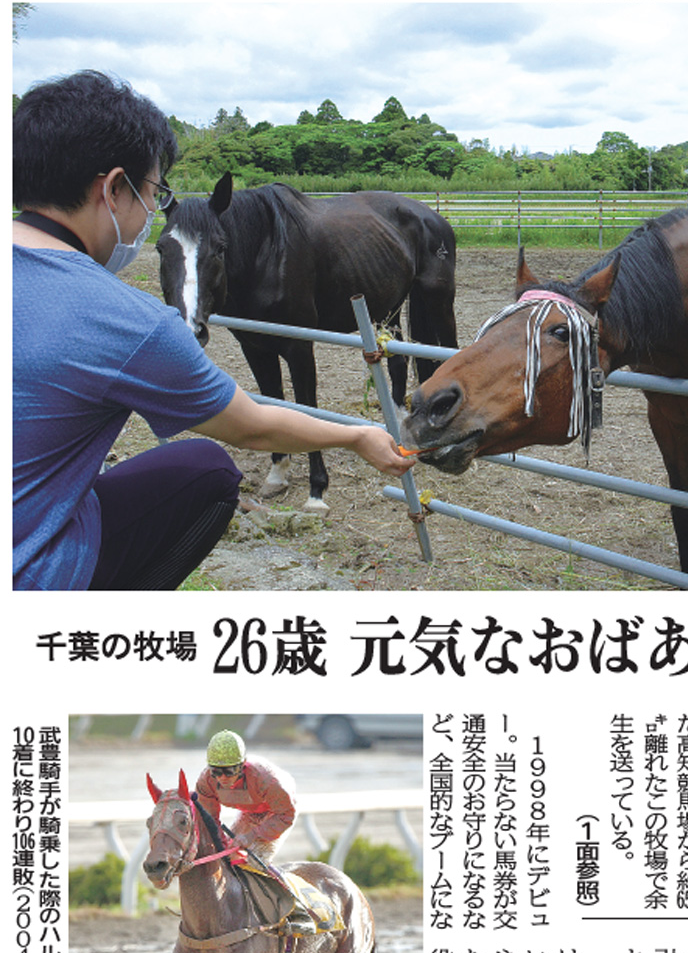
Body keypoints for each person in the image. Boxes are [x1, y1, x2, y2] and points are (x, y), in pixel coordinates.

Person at [12, 70, 415, 591]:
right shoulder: (126, 322)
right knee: (209, 468)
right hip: (30, 579)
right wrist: (358, 434)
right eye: (153, 193)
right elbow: (250, 426)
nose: (150, 213)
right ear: (113, 189)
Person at [194, 729, 318, 932]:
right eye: (216, 771)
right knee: (225, 858)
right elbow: (209, 819)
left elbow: (286, 815)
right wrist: (220, 842)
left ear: (242, 766)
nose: (222, 778)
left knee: (254, 861)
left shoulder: (266, 779)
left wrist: (252, 836)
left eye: (229, 771)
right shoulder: (206, 781)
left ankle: (299, 912)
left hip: (278, 813)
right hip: (250, 812)